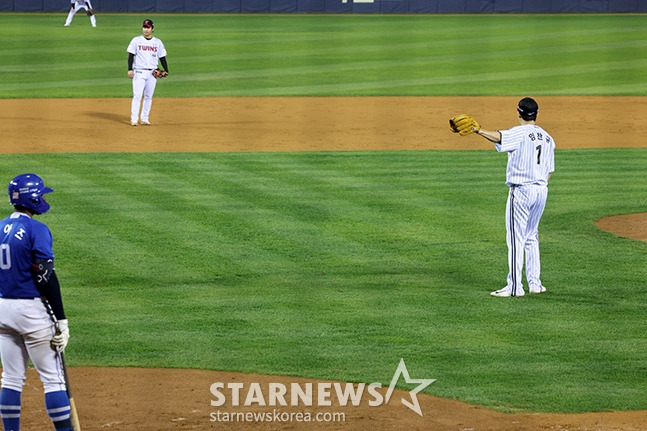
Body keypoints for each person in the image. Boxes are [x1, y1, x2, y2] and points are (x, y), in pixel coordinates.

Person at [452, 97, 555, 297]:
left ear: (518, 112)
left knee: (516, 239)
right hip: (542, 190)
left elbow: (499, 137)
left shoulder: (519, 133)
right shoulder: (548, 137)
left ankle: (515, 287)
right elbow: (550, 170)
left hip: (522, 191)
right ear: (536, 114)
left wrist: (478, 130)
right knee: (531, 236)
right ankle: (535, 284)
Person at [0, 174, 72, 431]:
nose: (42, 198)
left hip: (3, 311)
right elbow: (45, 277)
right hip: (31, 312)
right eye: (39, 194)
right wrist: (61, 320)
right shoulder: (37, 230)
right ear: (31, 198)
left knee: (10, 379)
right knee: (53, 380)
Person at [127, 19, 169, 126]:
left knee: (148, 96)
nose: (146, 29)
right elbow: (130, 56)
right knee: (137, 96)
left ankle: (145, 118)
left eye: (148, 27)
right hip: (139, 72)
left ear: (152, 29)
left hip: (152, 73)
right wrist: (129, 69)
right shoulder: (136, 40)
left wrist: (166, 70)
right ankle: (134, 119)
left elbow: (162, 57)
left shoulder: (158, 42)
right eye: (144, 27)